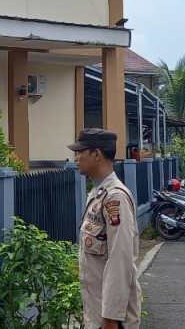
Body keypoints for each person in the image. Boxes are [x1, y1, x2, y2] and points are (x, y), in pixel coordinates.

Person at [69, 128, 142, 329]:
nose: (76, 158)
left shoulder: (115, 197)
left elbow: (120, 260)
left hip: (111, 319)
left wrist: (111, 317)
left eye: (80, 152)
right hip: (97, 313)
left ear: (97, 154)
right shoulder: (98, 193)